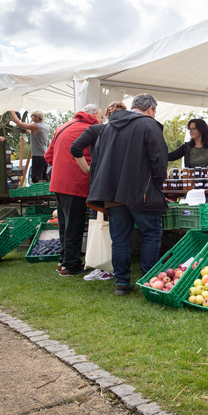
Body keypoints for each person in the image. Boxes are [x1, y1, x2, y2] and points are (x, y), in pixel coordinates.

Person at [87, 94, 168, 296]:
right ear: (150, 108)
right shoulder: (149, 125)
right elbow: (159, 160)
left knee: (120, 239)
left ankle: (121, 283)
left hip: (112, 194)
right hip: (141, 192)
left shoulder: (107, 128)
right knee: (150, 234)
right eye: (155, 111)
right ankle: (149, 281)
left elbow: (95, 162)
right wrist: (156, 185)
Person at [70, 101, 127, 282]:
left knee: (106, 225)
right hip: (121, 186)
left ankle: (107, 267)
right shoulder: (127, 131)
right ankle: (111, 268)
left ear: (107, 115)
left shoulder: (97, 130)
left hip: (101, 186)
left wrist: (88, 169)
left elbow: (75, 148)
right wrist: (88, 169)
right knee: (118, 228)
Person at [44, 104, 104, 276]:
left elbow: (48, 156)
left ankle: (63, 261)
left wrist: (62, 168)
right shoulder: (92, 129)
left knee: (64, 224)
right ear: (94, 115)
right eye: (100, 117)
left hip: (58, 182)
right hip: (77, 182)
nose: (101, 121)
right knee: (74, 225)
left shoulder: (62, 127)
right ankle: (70, 265)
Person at [9, 109, 50, 183]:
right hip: (44, 156)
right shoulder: (45, 127)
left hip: (37, 156)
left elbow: (19, 124)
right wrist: (29, 132)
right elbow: (38, 137)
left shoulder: (36, 126)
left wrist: (12, 112)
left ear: (37, 117)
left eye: (33, 115)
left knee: (36, 178)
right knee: (44, 176)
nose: (31, 116)